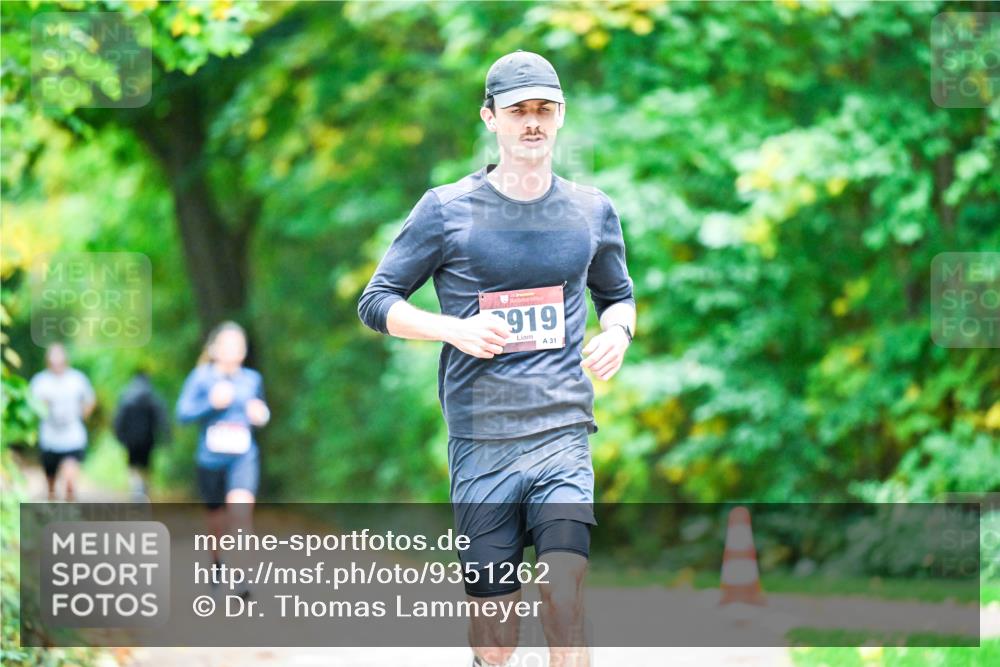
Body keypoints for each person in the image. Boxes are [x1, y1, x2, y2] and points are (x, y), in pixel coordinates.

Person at [358, 50, 636, 667]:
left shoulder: (592, 210)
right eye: (518, 111)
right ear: (491, 117)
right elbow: (376, 302)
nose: (532, 122)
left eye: (544, 110)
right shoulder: (445, 210)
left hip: (562, 430)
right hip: (481, 440)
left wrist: (618, 333)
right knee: (496, 634)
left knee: (564, 595)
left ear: (560, 116)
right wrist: (451, 329)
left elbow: (617, 297)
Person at [176, 321, 269, 595]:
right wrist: (210, 404)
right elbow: (182, 414)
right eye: (228, 345)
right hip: (210, 460)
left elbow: (261, 411)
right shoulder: (201, 378)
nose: (234, 350)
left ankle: (242, 576)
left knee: (240, 514)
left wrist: (260, 414)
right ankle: (217, 563)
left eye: (239, 345)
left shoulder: (252, 379)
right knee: (216, 521)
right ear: (215, 350)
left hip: (243, 457)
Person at [29, 342, 97, 501]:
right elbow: (31, 407)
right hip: (50, 438)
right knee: (51, 486)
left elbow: (90, 399)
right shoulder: (40, 381)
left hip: (72, 436)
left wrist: (83, 414)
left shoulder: (77, 379)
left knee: (70, 482)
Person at [113, 369, 170, 500]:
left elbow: (118, 418)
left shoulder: (126, 394)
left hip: (130, 440)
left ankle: (136, 488)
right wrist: (166, 436)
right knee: (146, 465)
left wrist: (119, 436)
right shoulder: (152, 395)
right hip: (148, 439)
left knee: (133, 465)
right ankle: (143, 488)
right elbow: (162, 417)